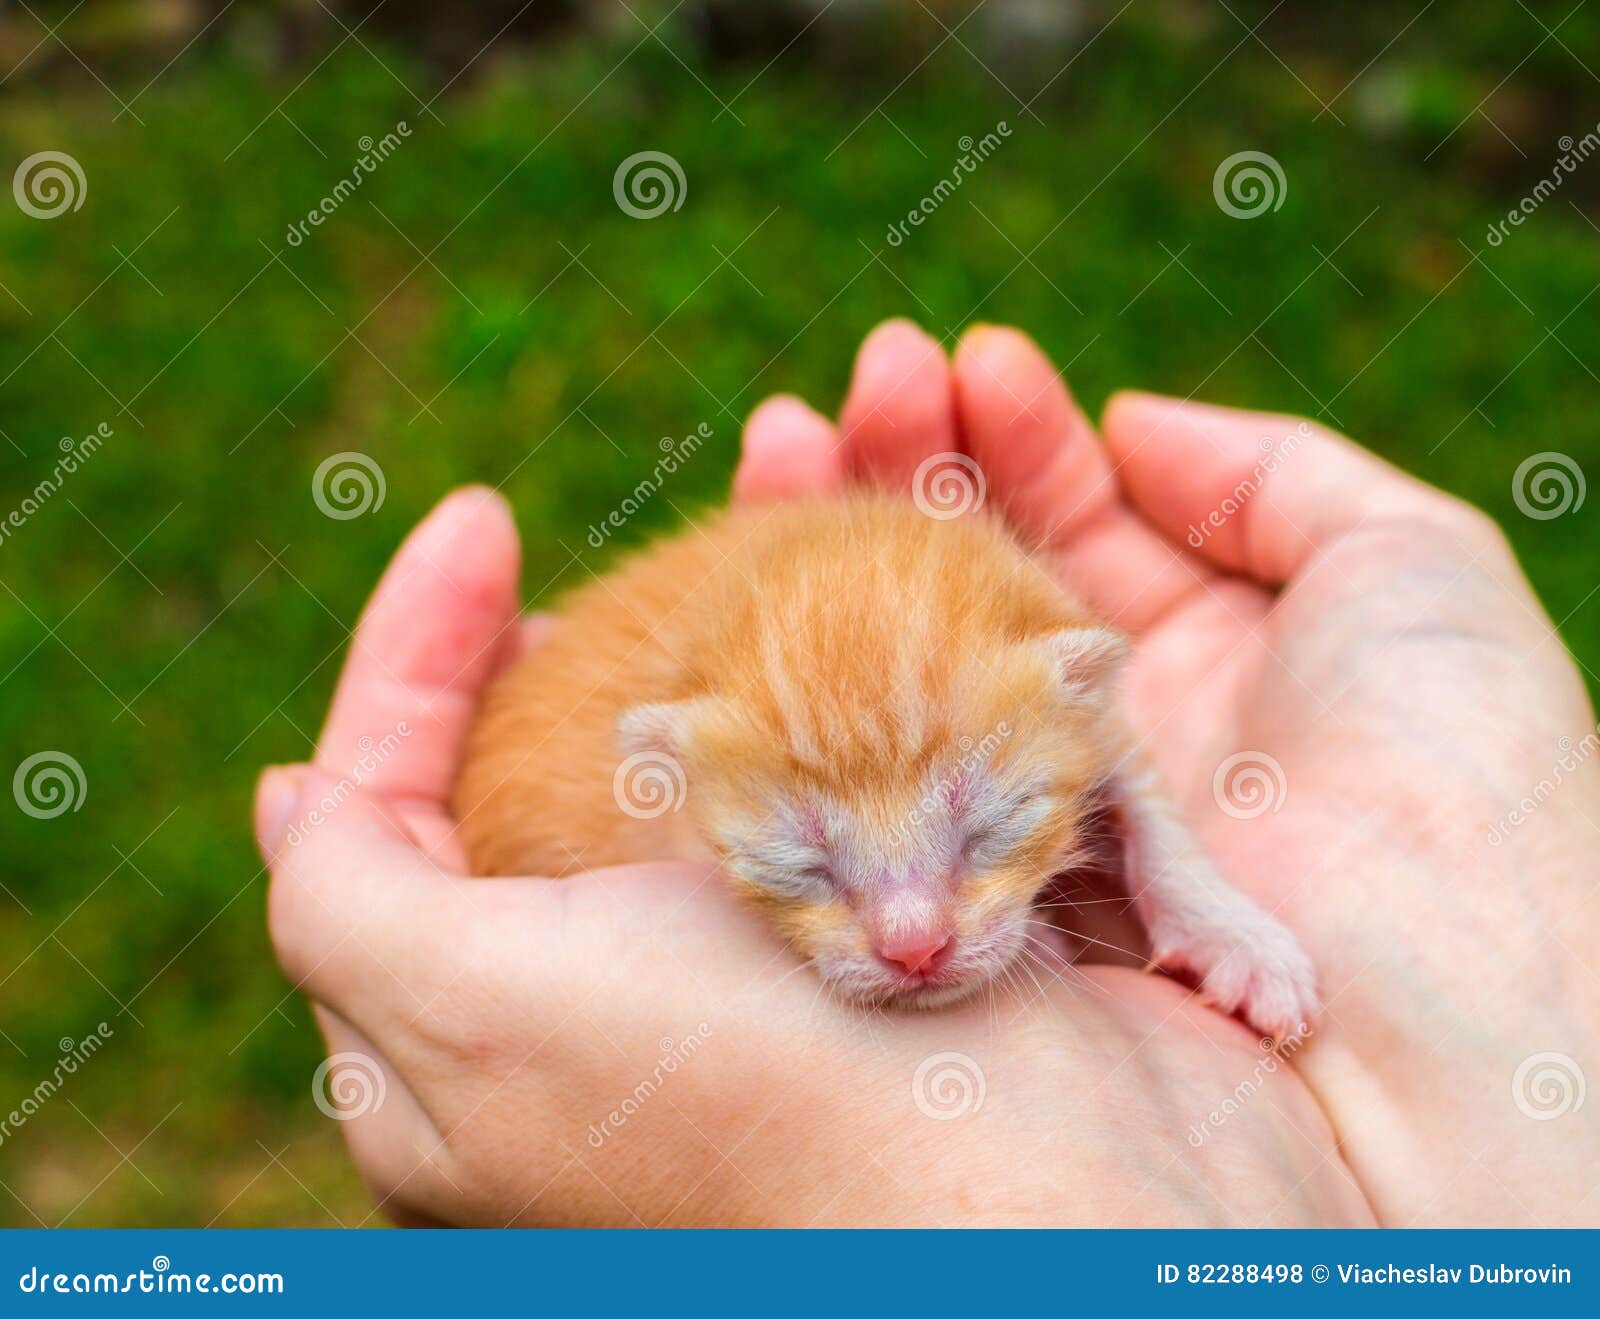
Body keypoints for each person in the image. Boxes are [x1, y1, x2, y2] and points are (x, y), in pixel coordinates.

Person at [255, 319, 1600, 1227]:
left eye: (983, 836)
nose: (911, 935)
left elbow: (1103, 744)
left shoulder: (1048, 679)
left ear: (1083, 681)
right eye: (804, 866)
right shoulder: (671, 759)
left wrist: (1200, 903)